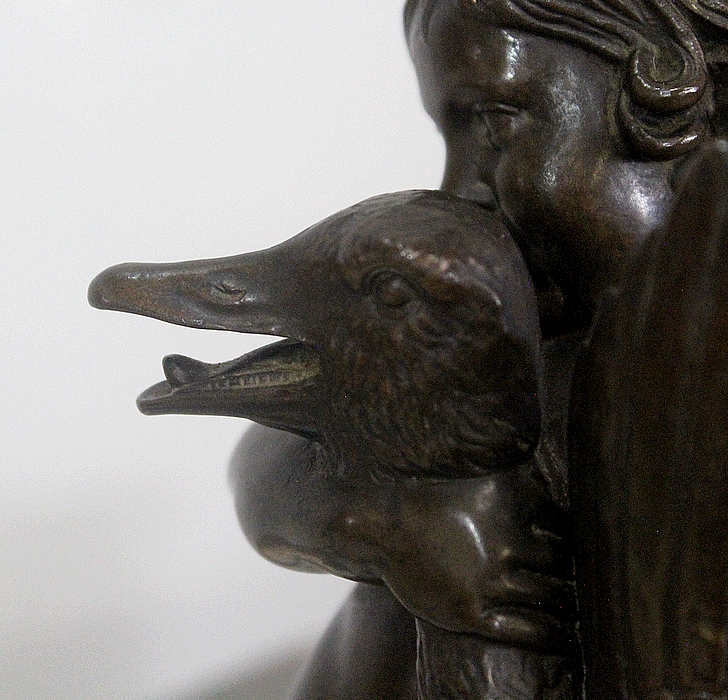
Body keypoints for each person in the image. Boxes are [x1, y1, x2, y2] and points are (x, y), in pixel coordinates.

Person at [230, 0, 728, 697]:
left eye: (495, 123)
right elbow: (274, 455)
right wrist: (389, 523)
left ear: (672, 83)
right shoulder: (515, 349)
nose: (456, 192)